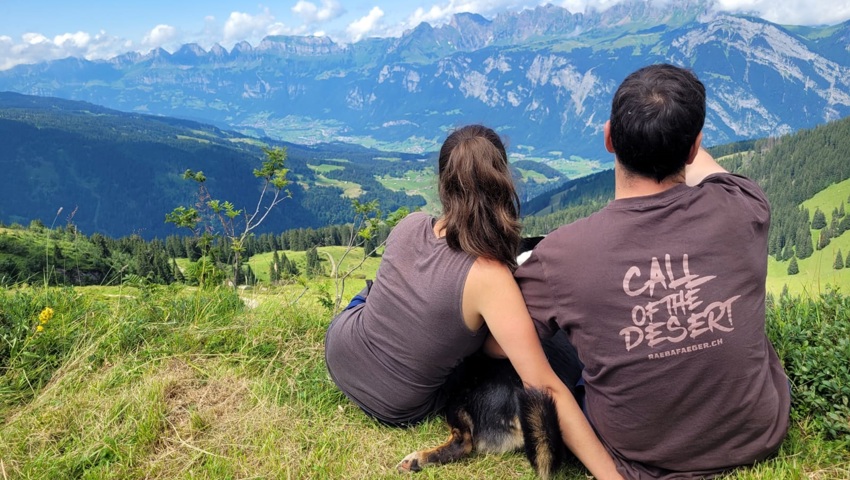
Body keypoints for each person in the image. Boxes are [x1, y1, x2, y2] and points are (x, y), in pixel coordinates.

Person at [514, 64, 791, 478]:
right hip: (759, 436)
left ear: (608, 138)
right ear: (695, 148)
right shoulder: (745, 206)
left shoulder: (563, 255)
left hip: (641, 456)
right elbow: (707, 169)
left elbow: (500, 343)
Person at [324, 124, 623, 479]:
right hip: (394, 404)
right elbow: (542, 384)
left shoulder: (410, 223)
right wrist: (613, 476)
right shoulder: (490, 275)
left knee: (373, 293)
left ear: (442, 183)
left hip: (341, 353)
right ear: (503, 182)